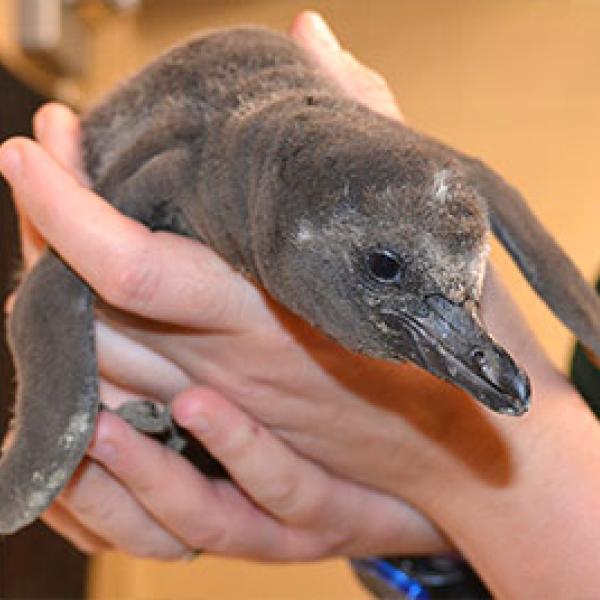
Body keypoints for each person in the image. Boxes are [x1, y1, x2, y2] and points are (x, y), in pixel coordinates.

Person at [2, 11, 600, 599]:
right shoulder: (196, 172)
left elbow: (471, 187)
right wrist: (433, 537)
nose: (481, 354)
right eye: (386, 272)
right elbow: (55, 285)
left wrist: (462, 466)